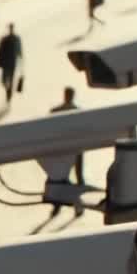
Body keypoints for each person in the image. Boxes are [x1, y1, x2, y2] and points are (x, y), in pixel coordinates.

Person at [47, 87, 84, 216]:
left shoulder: (57, 111)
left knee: (61, 179)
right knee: (72, 179)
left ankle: (61, 206)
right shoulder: (78, 112)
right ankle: (76, 206)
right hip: (74, 150)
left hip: (64, 150)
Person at [0, 24, 23, 105]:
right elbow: (19, 51)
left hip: (10, 62)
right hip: (8, 62)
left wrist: (21, 59)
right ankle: (8, 90)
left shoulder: (15, 38)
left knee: (8, 79)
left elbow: (19, 51)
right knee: (5, 80)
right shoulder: (8, 39)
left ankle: (8, 92)